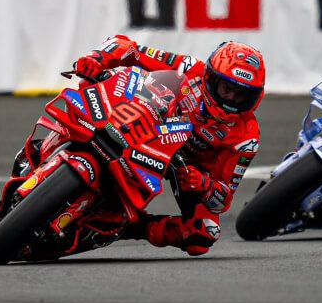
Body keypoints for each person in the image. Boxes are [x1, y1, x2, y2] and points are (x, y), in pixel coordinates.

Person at [29, 35, 266, 256]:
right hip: (149, 125)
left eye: (241, 95)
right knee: (89, 103)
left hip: (184, 169)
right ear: (209, 77)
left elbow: (222, 200)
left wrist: (203, 184)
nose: (231, 100)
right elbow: (129, 48)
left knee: (203, 233)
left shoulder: (246, 138)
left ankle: (131, 227)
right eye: (226, 89)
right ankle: (48, 148)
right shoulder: (190, 68)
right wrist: (98, 58)